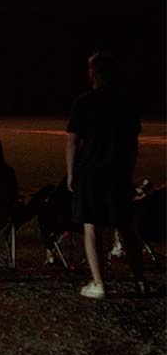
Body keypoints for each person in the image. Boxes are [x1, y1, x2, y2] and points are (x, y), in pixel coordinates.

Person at [66, 51, 147, 298]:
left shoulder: (84, 102)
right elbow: (133, 144)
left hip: (91, 171)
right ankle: (140, 280)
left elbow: (72, 141)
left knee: (92, 227)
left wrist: (70, 173)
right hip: (118, 170)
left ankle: (99, 283)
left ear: (92, 73)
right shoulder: (127, 103)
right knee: (126, 227)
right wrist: (128, 170)